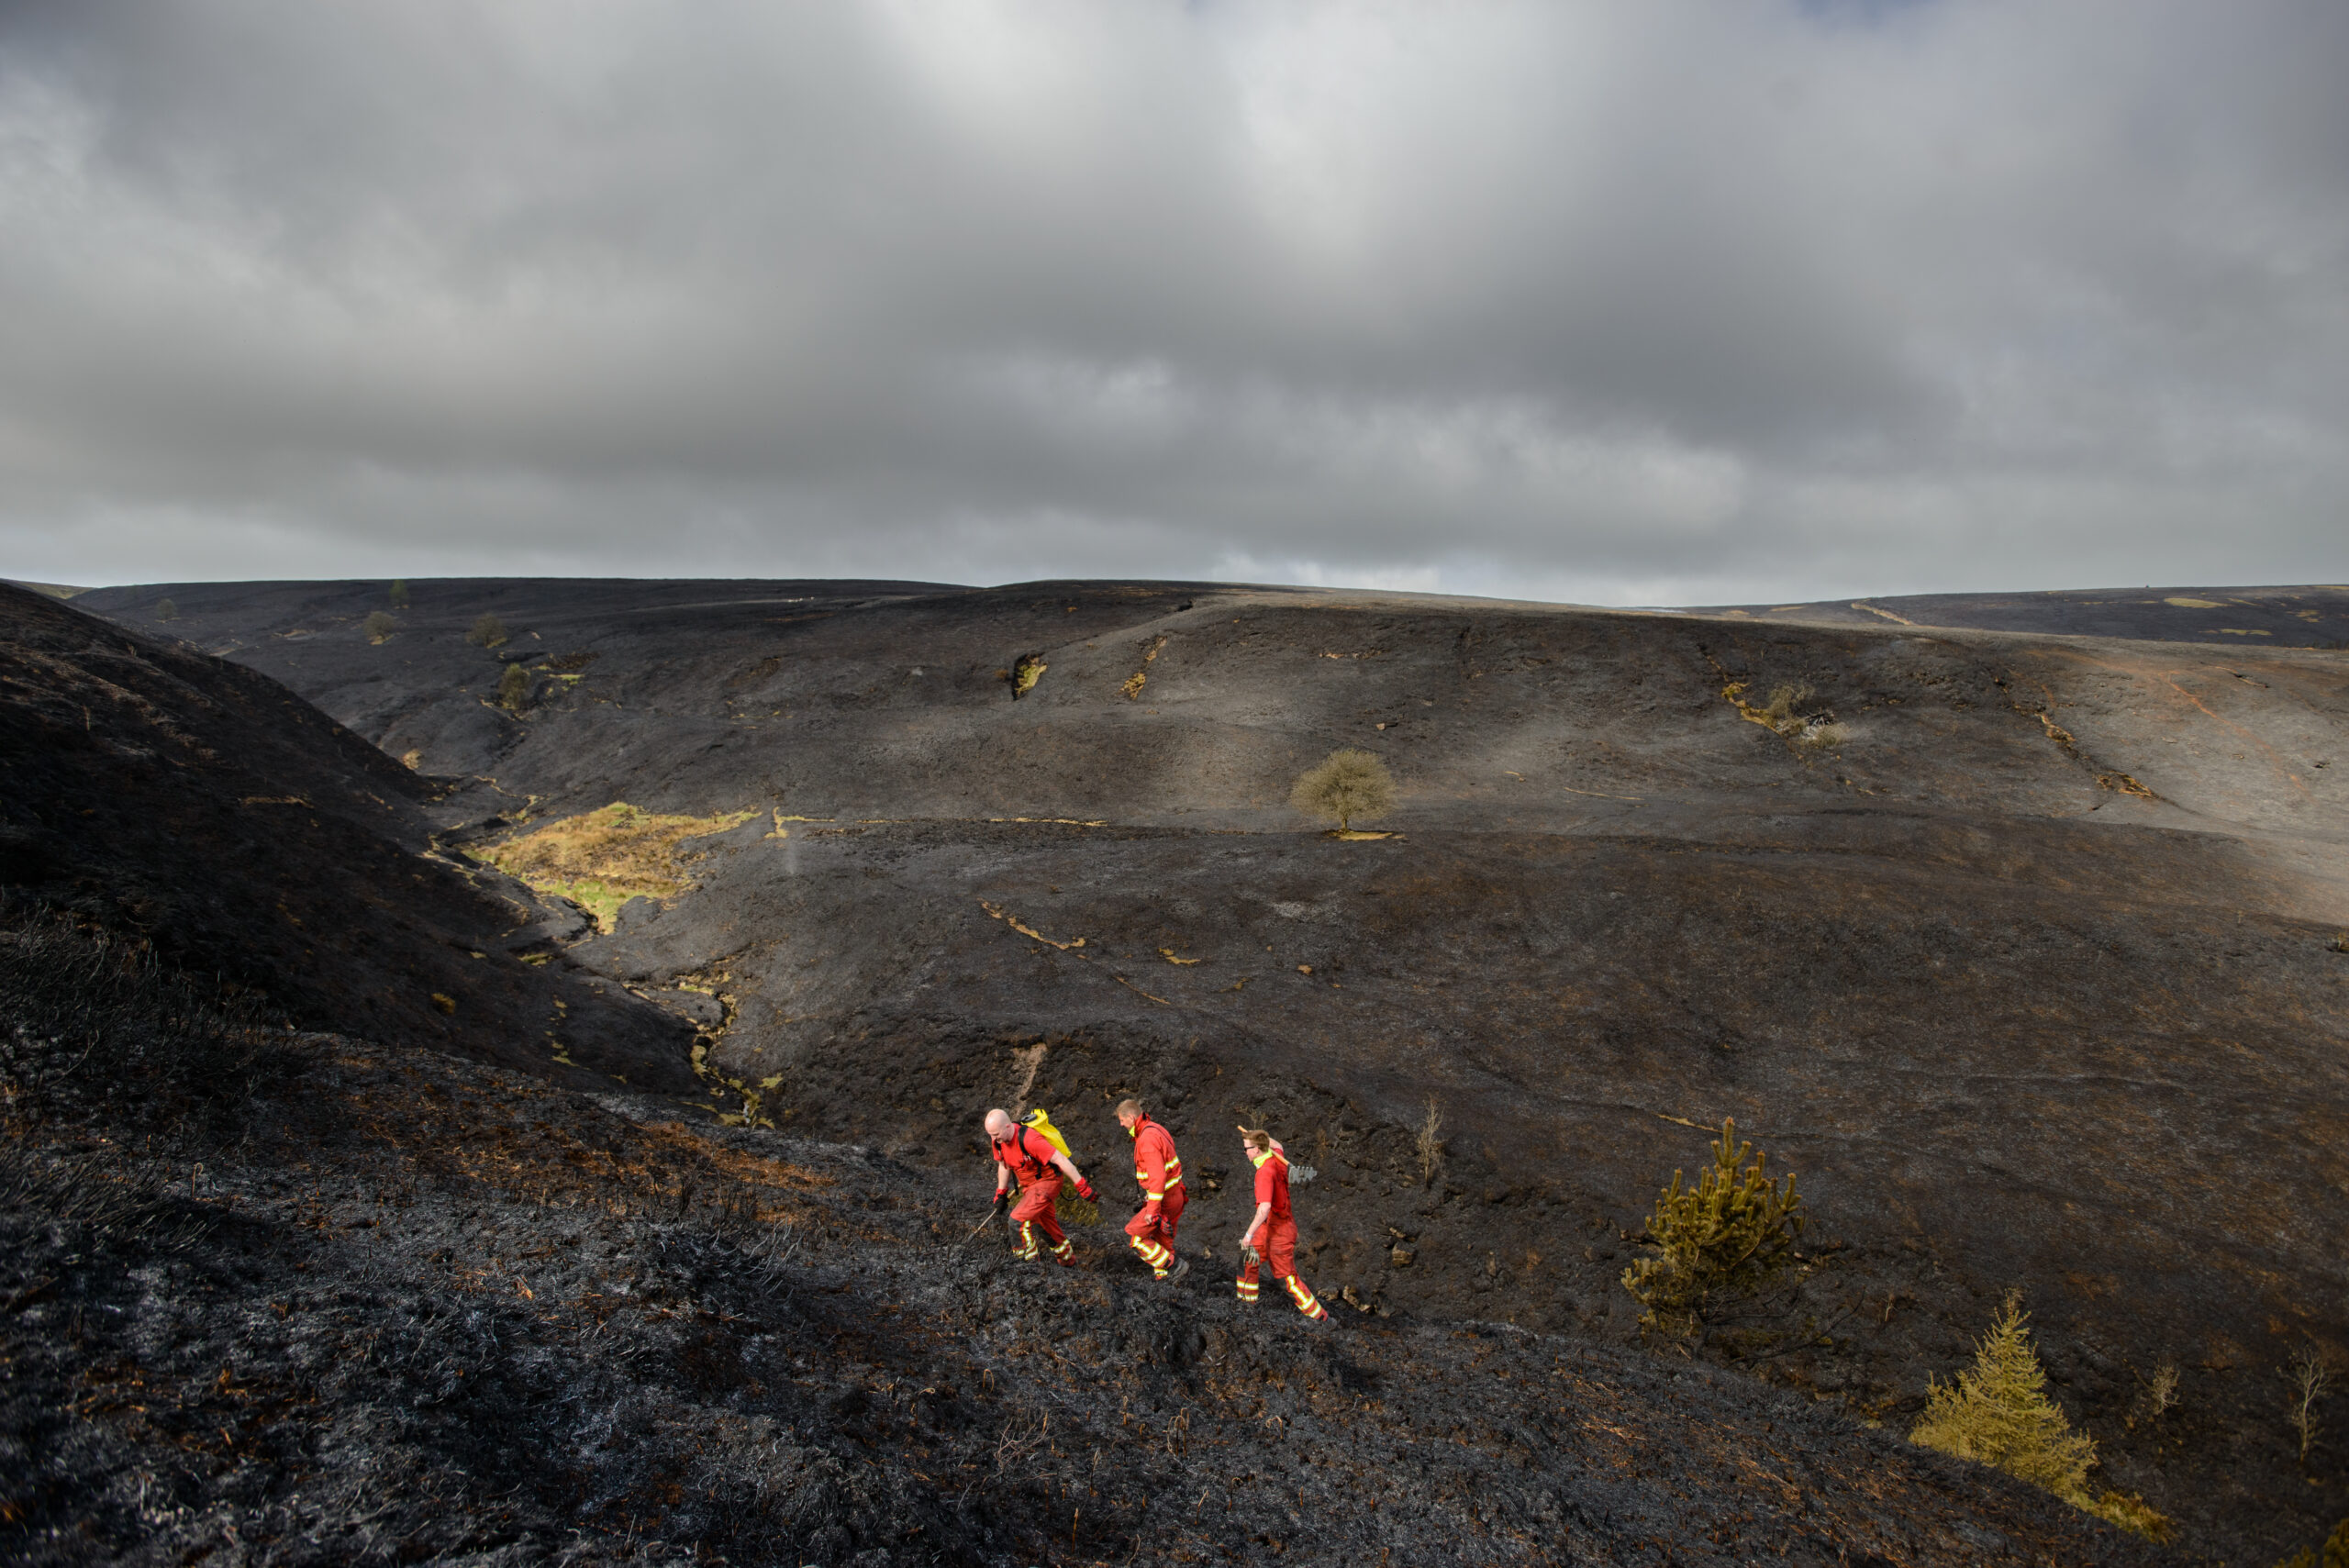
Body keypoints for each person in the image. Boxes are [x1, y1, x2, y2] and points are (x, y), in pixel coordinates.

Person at [1234, 1126, 1327, 1320]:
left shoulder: (1265, 1173)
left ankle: (1321, 1318)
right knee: (1248, 1260)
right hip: (1269, 1227)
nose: (1245, 1153)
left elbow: (1264, 1209)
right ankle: (1245, 1307)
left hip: (1280, 1230)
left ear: (1257, 1150)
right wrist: (1259, 1135)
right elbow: (1277, 1144)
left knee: (1287, 1279)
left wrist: (1248, 1235)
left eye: (1247, 1149)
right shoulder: (1276, 1157)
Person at [985, 1107, 1096, 1266]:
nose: (994, 1139)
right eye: (991, 1135)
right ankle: (1068, 1261)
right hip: (1030, 1187)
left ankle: (1029, 1266)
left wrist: (1082, 1186)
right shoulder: (999, 1141)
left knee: (1017, 1221)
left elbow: (1061, 1160)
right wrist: (1001, 1193)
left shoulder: (1030, 1139)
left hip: (1047, 1182)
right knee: (1045, 1225)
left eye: (996, 1134)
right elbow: (1003, 1165)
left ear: (1008, 1126)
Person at [1114, 1098, 1187, 1281]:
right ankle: (1165, 1283)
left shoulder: (1147, 1140)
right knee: (1162, 1242)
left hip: (1164, 1201)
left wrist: (1152, 1210)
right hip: (1175, 1195)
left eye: (1122, 1120)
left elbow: (1158, 1177)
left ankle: (1175, 1266)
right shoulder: (1156, 1128)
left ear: (1131, 1117)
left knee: (1137, 1238)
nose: (1121, 1124)